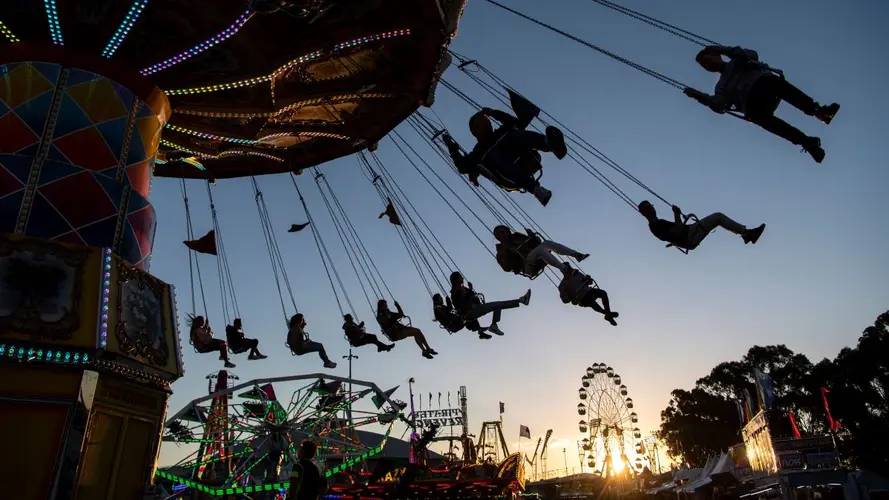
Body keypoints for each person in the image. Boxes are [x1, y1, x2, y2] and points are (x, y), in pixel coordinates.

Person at [684, 45, 839, 163]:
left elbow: (751, 55)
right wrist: (699, 96)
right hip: (753, 105)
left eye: (708, 61)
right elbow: (718, 105)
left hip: (764, 85)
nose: (708, 66)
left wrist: (723, 49)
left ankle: (817, 111)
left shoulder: (737, 61)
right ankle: (807, 142)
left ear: (716, 55)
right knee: (759, 118)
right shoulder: (721, 86)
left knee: (774, 84)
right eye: (704, 66)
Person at [443, 106, 567, 206]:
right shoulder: (478, 152)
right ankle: (536, 190)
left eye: (487, 121)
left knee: (514, 133)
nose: (488, 124)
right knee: (491, 154)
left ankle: (550, 145)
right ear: (474, 131)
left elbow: (513, 121)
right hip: (506, 175)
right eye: (483, 123)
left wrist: (493, 113)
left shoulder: (501, 132)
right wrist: (451, 147)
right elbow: (463, 166)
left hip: (524, 156)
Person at [637, 201, 765, 251]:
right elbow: (677, 231)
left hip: (689, 232)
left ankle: (746, 234)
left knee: (717, 218)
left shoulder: (657, 224)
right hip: (689, 236)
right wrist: (676, 215)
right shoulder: (656, 226)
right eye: (650, 207)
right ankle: (747, 234)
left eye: (651, 206)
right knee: (717, 217)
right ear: (646, 212)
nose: (653, 208)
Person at [449, 272, 531, 336]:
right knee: (497, 305)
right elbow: (462, 304)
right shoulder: (455, 292)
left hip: (474, 309)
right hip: (471, 312)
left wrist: (470, 290)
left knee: (498, 305)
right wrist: (469, 292)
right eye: (460, 276)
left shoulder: (461, 289)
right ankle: (521, 300)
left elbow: (472, 297)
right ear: (456, 279)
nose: (462, 277)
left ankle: (494, 325)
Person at [493, 225, 588, 275]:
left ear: (507, 231)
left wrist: (532, 237)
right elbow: (507, 268)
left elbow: (536, 244)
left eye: (502, 232)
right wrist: (508, 253)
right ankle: (565, 269)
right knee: (540, 250)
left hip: (535, 258)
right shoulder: (501, 251)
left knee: (547, 243)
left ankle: (576, 255)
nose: (501, 235)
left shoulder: (518, 237)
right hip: (525, 266)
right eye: (498, 235)